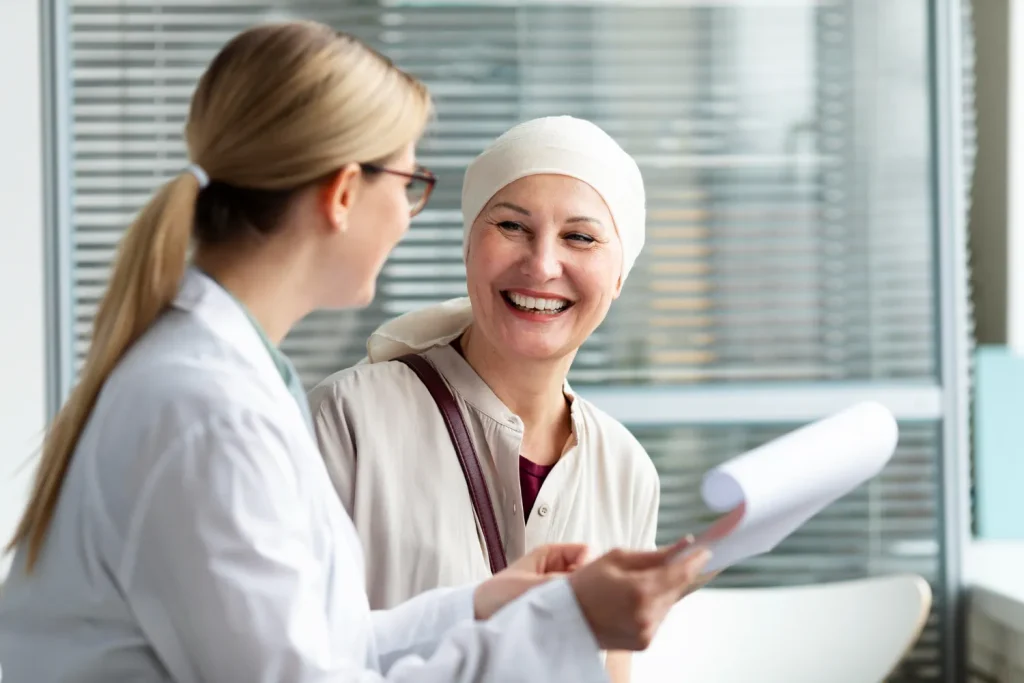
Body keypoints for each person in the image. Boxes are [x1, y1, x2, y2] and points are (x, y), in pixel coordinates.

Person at [0, 20, 711, 683]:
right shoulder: (212, 412)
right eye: (408, 184)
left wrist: (485, 603)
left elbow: (323, 640)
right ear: (344, 193)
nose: (408, 215)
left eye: (580, 236)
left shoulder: (225, 381)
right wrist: (560, 622)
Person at [309, 116, 662, 682]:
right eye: (512, 226)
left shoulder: (626, 471)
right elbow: (289, 652)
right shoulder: (348, 420)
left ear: (620, 273)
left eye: (580, 237)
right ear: (469, 244)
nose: (542, 264)